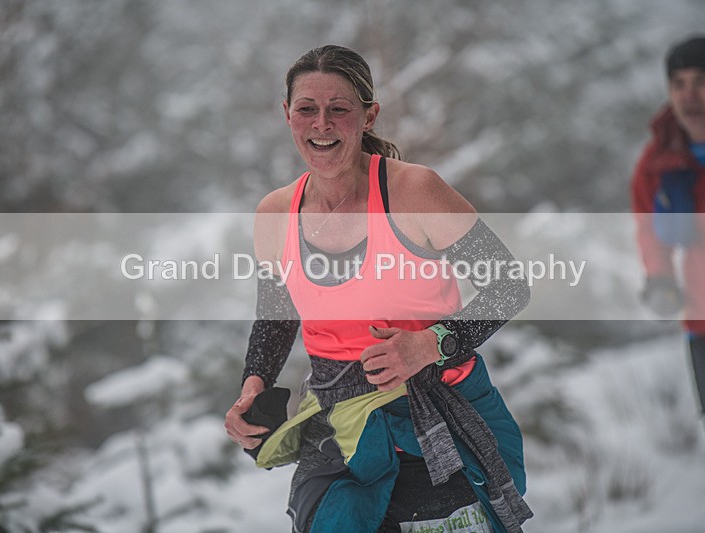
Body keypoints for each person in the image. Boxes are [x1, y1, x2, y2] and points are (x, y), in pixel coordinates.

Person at [224, 45, 533, 532]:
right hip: (341, 429)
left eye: (339, 110)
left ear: (369, 116)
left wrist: (428, 344)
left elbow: (510, 286)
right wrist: (254, 383)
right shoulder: (274, 214)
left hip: (437, 415)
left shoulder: (414, 191)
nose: (321, 124)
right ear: (288, 115)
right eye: (307, 109)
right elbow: (277, 314)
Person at [631, 34, 705, 532]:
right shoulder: (659, 161)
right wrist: (659, 278)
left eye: (701, 81)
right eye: (678, 83)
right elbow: (647, 227)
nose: (689, 95)